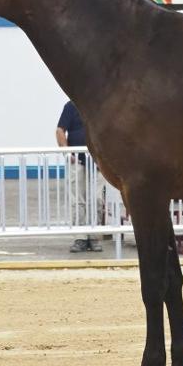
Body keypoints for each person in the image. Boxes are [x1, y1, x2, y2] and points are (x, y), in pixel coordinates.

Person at [57, 100, 104, 253]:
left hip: (98, 162)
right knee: (77, 200)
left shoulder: (101, 105)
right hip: (77, 160)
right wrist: (67, 152)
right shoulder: (71, 106)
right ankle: (81, 237)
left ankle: (94, 236)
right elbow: (60, 130)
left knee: (96, 199)